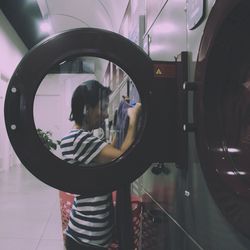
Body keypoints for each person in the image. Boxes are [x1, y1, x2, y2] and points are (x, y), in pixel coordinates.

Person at [60, 80, 141, 250]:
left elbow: (108, 151)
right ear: (86, 109)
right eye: (102, 108)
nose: (105, 115)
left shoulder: (82, 137)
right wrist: (133, 119)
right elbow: (122, 158)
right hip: (86, 238)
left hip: (90, 237)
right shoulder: (78, 139)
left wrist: (121, 122)